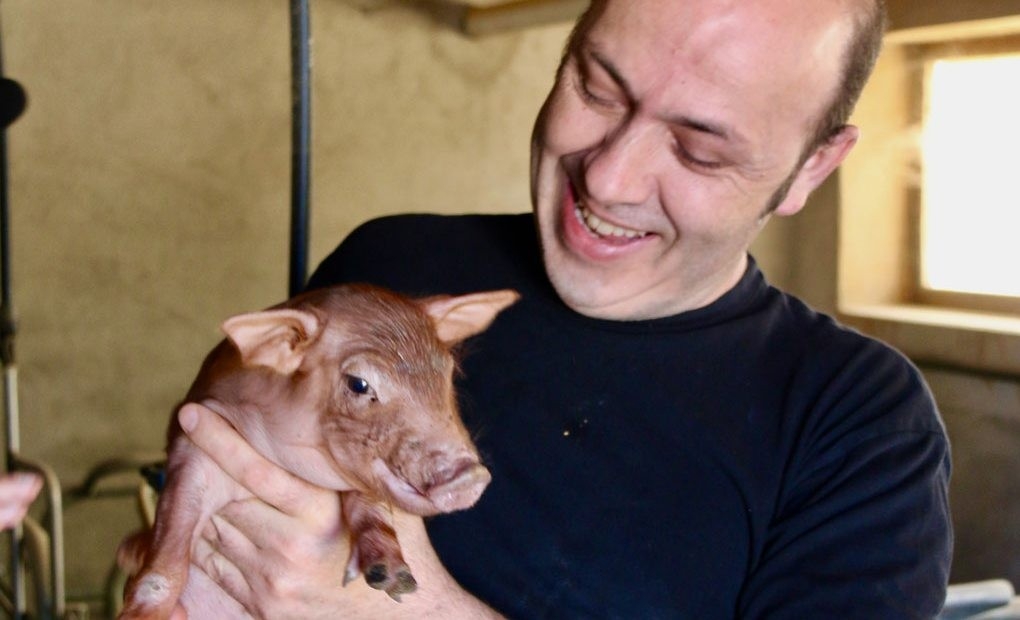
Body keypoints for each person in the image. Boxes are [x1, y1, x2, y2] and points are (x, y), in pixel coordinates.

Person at [176, 0, 953, 617]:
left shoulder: (859, 424)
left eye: (699, 150)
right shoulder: (389, 272)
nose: (609, 178)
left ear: (812, 168)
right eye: (596, 87)